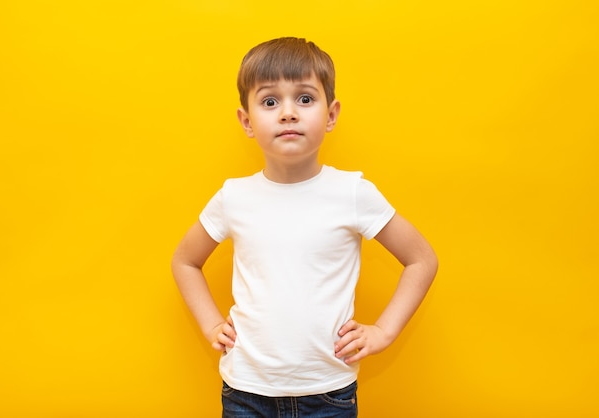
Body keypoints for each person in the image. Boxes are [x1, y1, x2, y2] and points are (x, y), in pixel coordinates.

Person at [171, 37, 438, 417]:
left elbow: (421, 259)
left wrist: (383, 331)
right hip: (245, 392)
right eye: (269, 101)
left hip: (328, 394)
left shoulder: (352, 193)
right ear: (246, 121)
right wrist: (211, 323)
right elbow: (185, 261)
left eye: (305, 99)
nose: (288, 113)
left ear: (331, 115)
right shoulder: (234, 197)